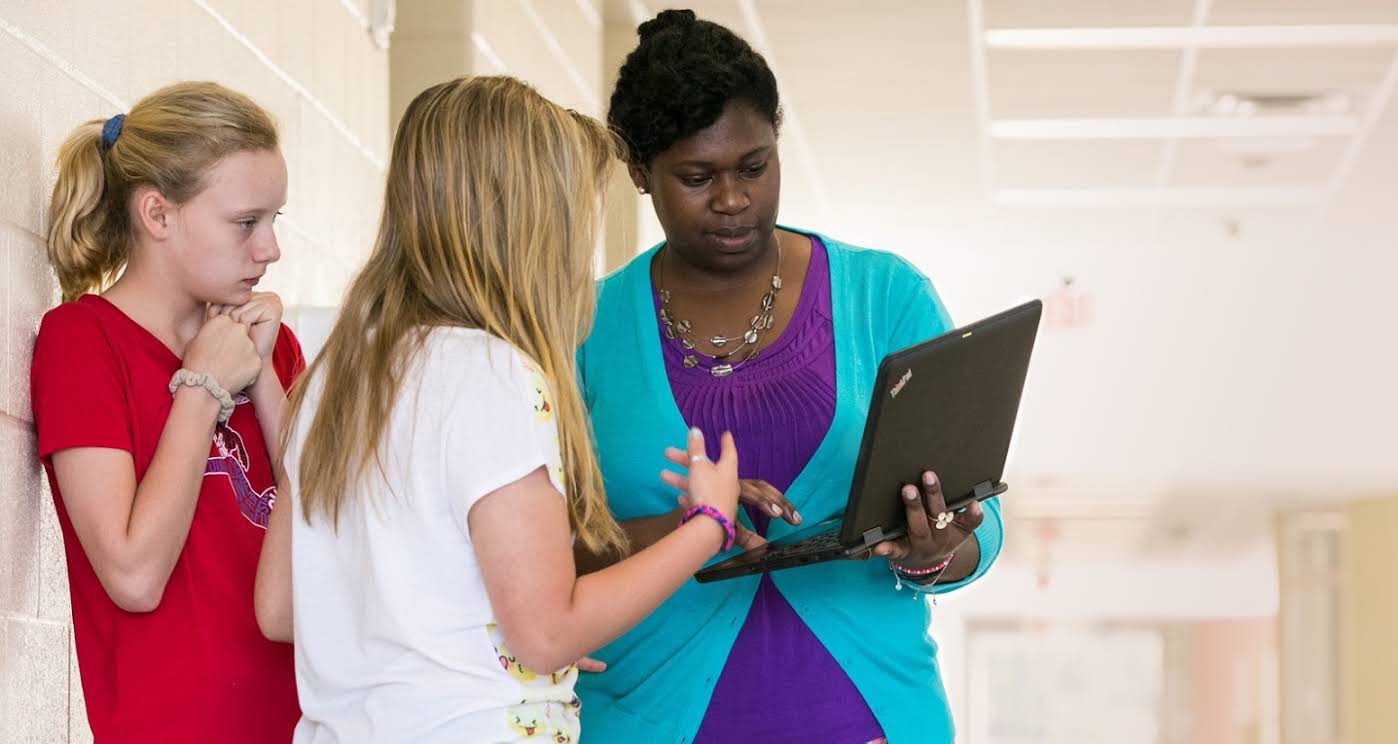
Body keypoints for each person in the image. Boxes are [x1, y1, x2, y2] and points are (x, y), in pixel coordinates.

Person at [253, 75, 743, 744]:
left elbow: (281, 608)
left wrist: (497, 648)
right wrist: (707, 525)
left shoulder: (332, 379)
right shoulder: (490, 372)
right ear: (530, 230)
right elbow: (546, 633)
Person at [573, 10, 1005, 743]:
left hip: (863, 710)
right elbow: (536, 555)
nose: (734, 199)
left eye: (754, 166)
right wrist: (687, 530)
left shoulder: (884, 297)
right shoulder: (582, 327)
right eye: (697, 177)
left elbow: (978, 517)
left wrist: (937, 550)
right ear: (640, 173)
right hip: (645, 710)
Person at [30, 81, 302, 742]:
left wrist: (261, 375)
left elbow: (330, 542)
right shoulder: (81, 341)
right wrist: (204, 387)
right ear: (158, 215)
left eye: (274, 222)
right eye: (246, 223)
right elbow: (134, 574)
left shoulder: (274, 348)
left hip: (309, 725)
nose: (269, 250)